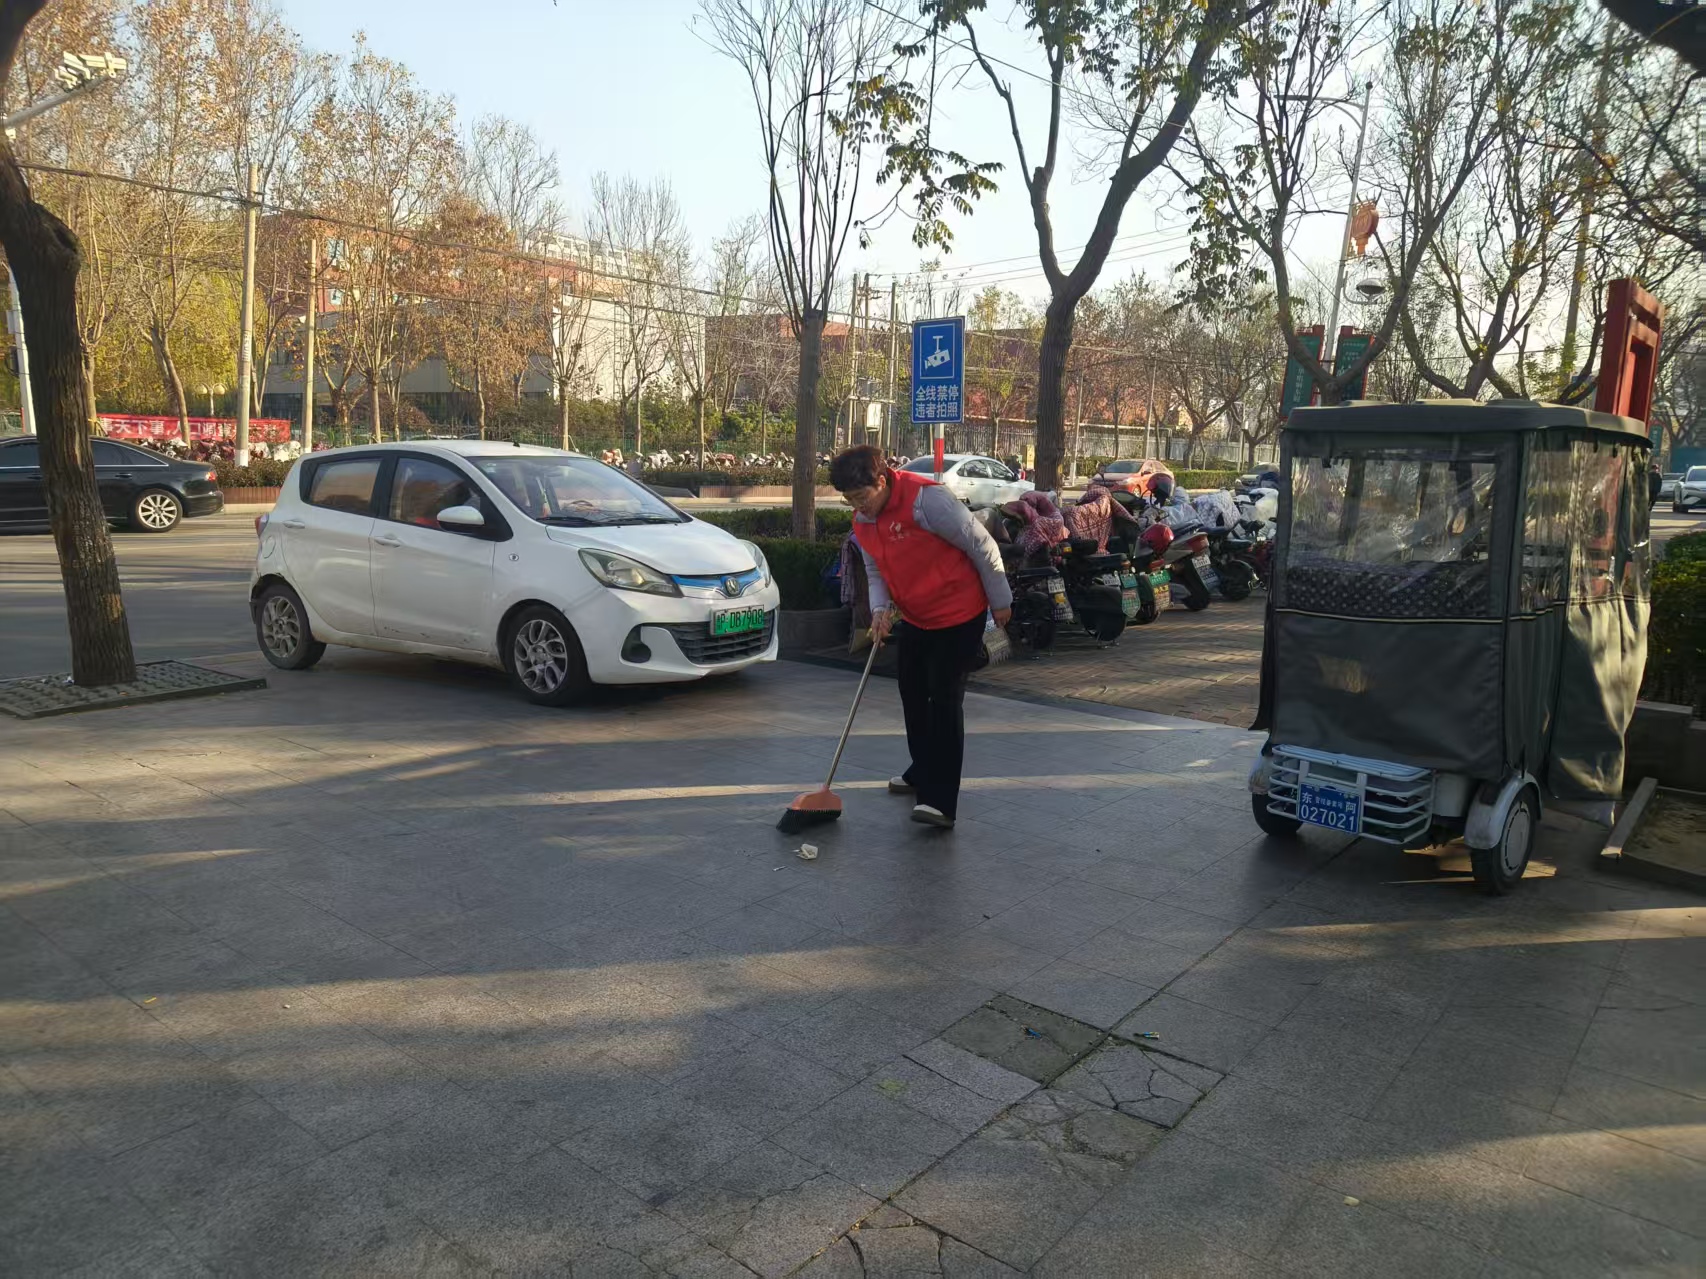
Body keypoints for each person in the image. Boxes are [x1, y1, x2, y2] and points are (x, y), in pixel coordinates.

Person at [831, 444, 1012, 830]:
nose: (858, 507)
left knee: (944, 701)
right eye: (850, 500)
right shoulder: (863, 521)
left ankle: (940, 801)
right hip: (917, 617)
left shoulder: (927, 500)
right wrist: (880, 610)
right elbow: (876, 571)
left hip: (959, 613)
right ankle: (923, 768)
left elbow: (981, 545)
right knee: (912, 694)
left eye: (862, 496)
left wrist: (1001, 601)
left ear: (882, 481)